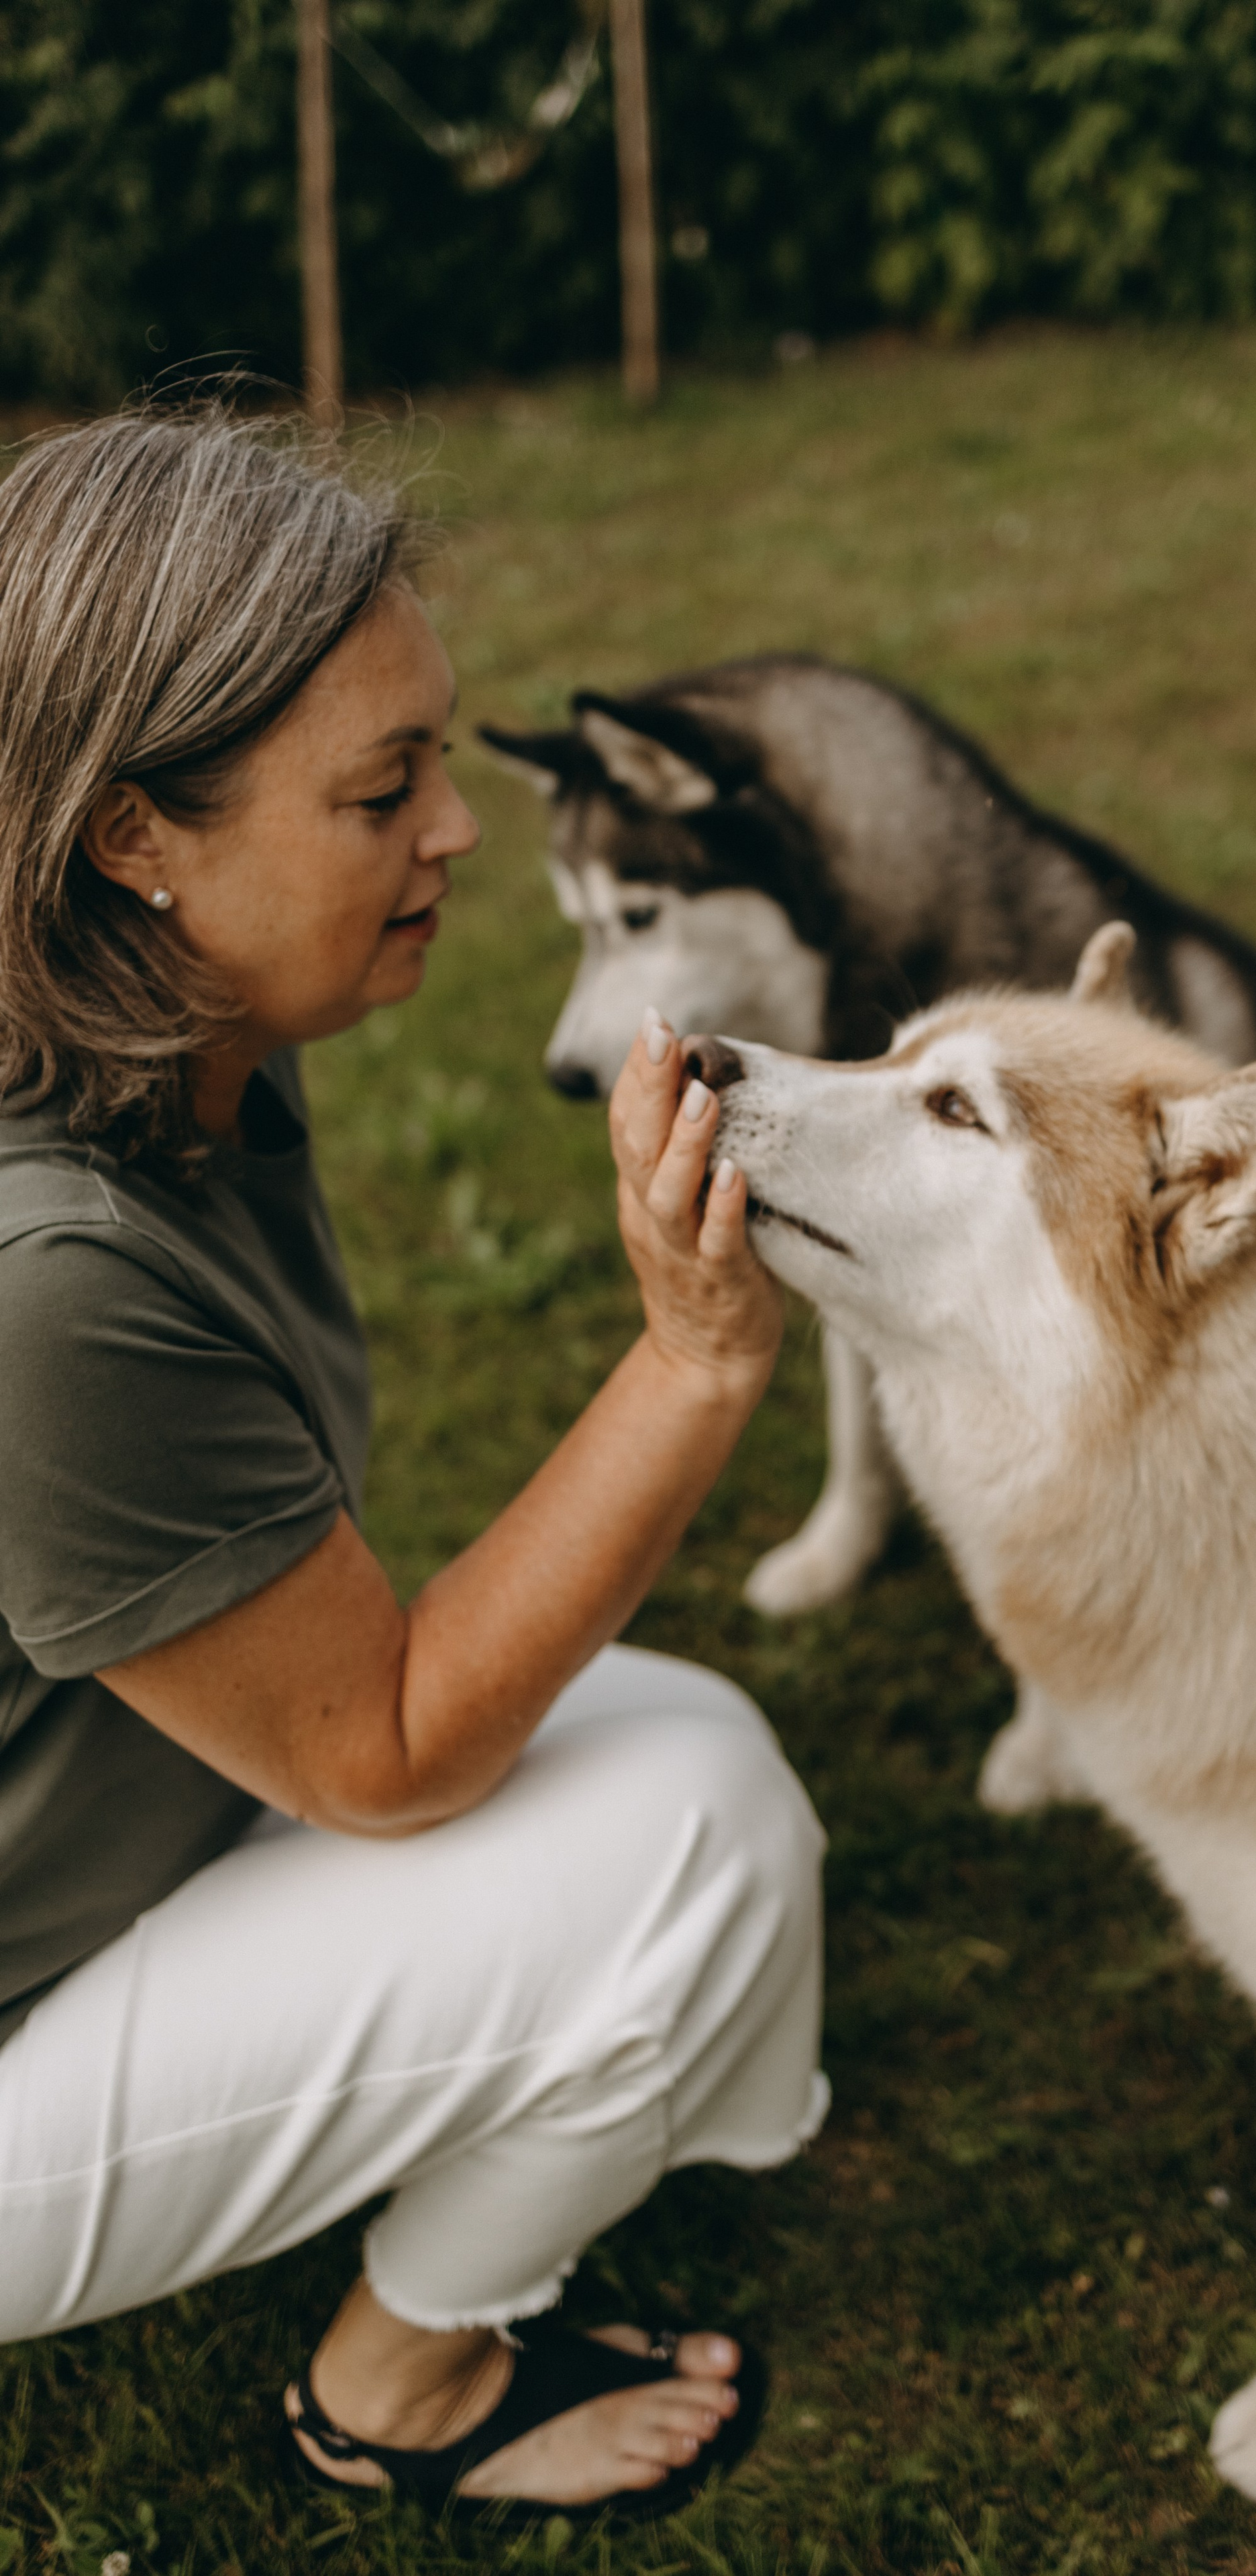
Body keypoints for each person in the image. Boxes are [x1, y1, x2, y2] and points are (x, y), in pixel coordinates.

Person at [0, 406, 827, 2523]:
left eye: (438, 756)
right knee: (691, 1830)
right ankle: (405, 2388)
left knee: (648, 1729)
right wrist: (700, 1353)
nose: (457, 833)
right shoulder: (46, 1280)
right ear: (132, 839)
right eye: (385, 789)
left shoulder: (175, 1066)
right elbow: (381, 1747)